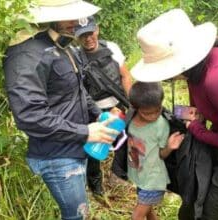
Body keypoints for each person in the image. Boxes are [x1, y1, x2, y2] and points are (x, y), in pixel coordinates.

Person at [3, 1, 120, 219]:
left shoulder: (62, 46)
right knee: (77, 215)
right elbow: (29, 115)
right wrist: (85, 132)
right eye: (69, 17)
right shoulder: (26, 53)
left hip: (76, 147)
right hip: (57, 156)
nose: (77, 23)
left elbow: (77, 90)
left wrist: (99, 114)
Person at [131, 9, 218, 219]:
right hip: (217, 142)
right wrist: (195, 117)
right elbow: (198, 109)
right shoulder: (194, 72)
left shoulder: (217, 79)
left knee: (212, 210)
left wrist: (198, 130)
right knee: (195, 202)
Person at [75, 16, 132, 196]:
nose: (88, 38)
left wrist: (130, 104)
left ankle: (119, 175)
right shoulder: (75, 56)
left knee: (124, 140)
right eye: (82, 35)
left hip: (118, 104)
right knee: (95, 149)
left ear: (97, 30)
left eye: (90, 33)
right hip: (93, 111)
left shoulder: (112, 47)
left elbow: (125, 76)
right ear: (76, 36)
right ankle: (95, 185)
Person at [127, 82, 184, 220]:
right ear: (136, 108)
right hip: (140, 176)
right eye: (147, 113)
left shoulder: (161, 125)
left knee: (137, 216)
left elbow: (161, 154)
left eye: (157, 110)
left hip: (154, 180)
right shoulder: (130, 117)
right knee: (148, 211)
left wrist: (170, 147)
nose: (153, 116)